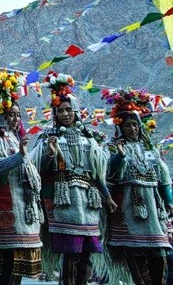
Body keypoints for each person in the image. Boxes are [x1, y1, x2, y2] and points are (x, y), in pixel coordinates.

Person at [30, 71, 116, 285]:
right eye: (61, 111)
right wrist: (50, 154)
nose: (65, 114)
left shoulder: (91, 141)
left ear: (76, 112)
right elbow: (38, 169)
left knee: (86, 257)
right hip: (64, 204)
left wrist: (107, 197)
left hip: (88, 204)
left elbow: (97, 175)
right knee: (71, 255)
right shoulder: (48, 139)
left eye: (69, 110)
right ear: (55, 114)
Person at [0, 70, 43, 285]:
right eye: (11, 114)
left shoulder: (14, 139)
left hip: (23, 211)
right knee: (6, 265)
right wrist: (19, 157)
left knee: (17, 267)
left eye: (17, 115)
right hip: (5, 211)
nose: (15, 119)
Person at [102, 88, 172, 284]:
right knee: (139, 267)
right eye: (127, 125)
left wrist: (169, 201)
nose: (132, 129)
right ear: (120, 127)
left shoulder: (151, 150)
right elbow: (110, 177)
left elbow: (163, 179)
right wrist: (120, 157)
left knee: (160, 264)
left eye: (135, 125)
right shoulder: (112, 148)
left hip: (153, 214)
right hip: (130, 212)